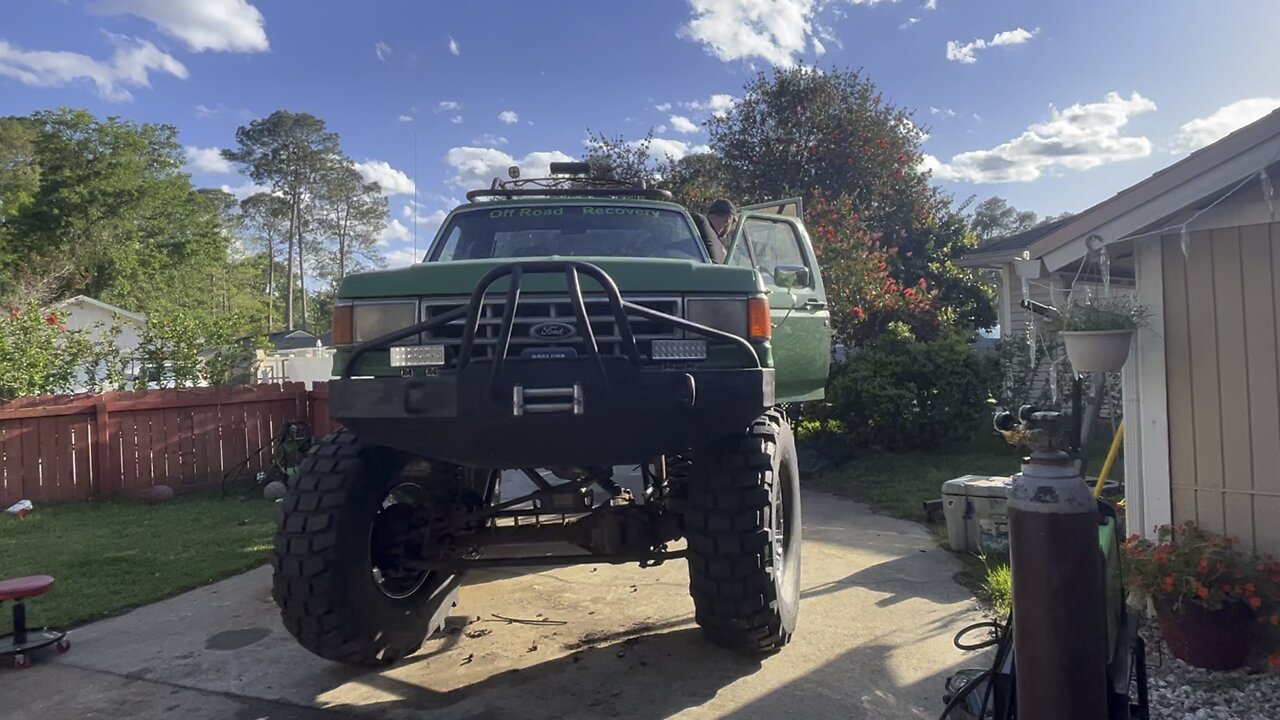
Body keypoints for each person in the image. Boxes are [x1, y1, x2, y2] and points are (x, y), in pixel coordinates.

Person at [690, 198, 737, 263]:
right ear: (729, 218)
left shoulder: (692, 227)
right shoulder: (717, 247)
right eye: (733, 222)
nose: (731, 227)